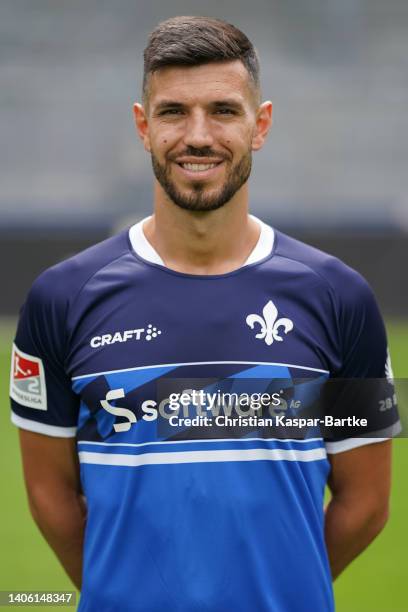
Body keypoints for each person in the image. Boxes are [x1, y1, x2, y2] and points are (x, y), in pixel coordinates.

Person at [10, 16, 400, 612]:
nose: (198, 136)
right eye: (173, 112)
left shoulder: (339, 297)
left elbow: (367, 502)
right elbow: (49, 494)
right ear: (143, 127)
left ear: (260, 124)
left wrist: (279, 589)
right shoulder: (61, 298)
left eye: (223, 110)